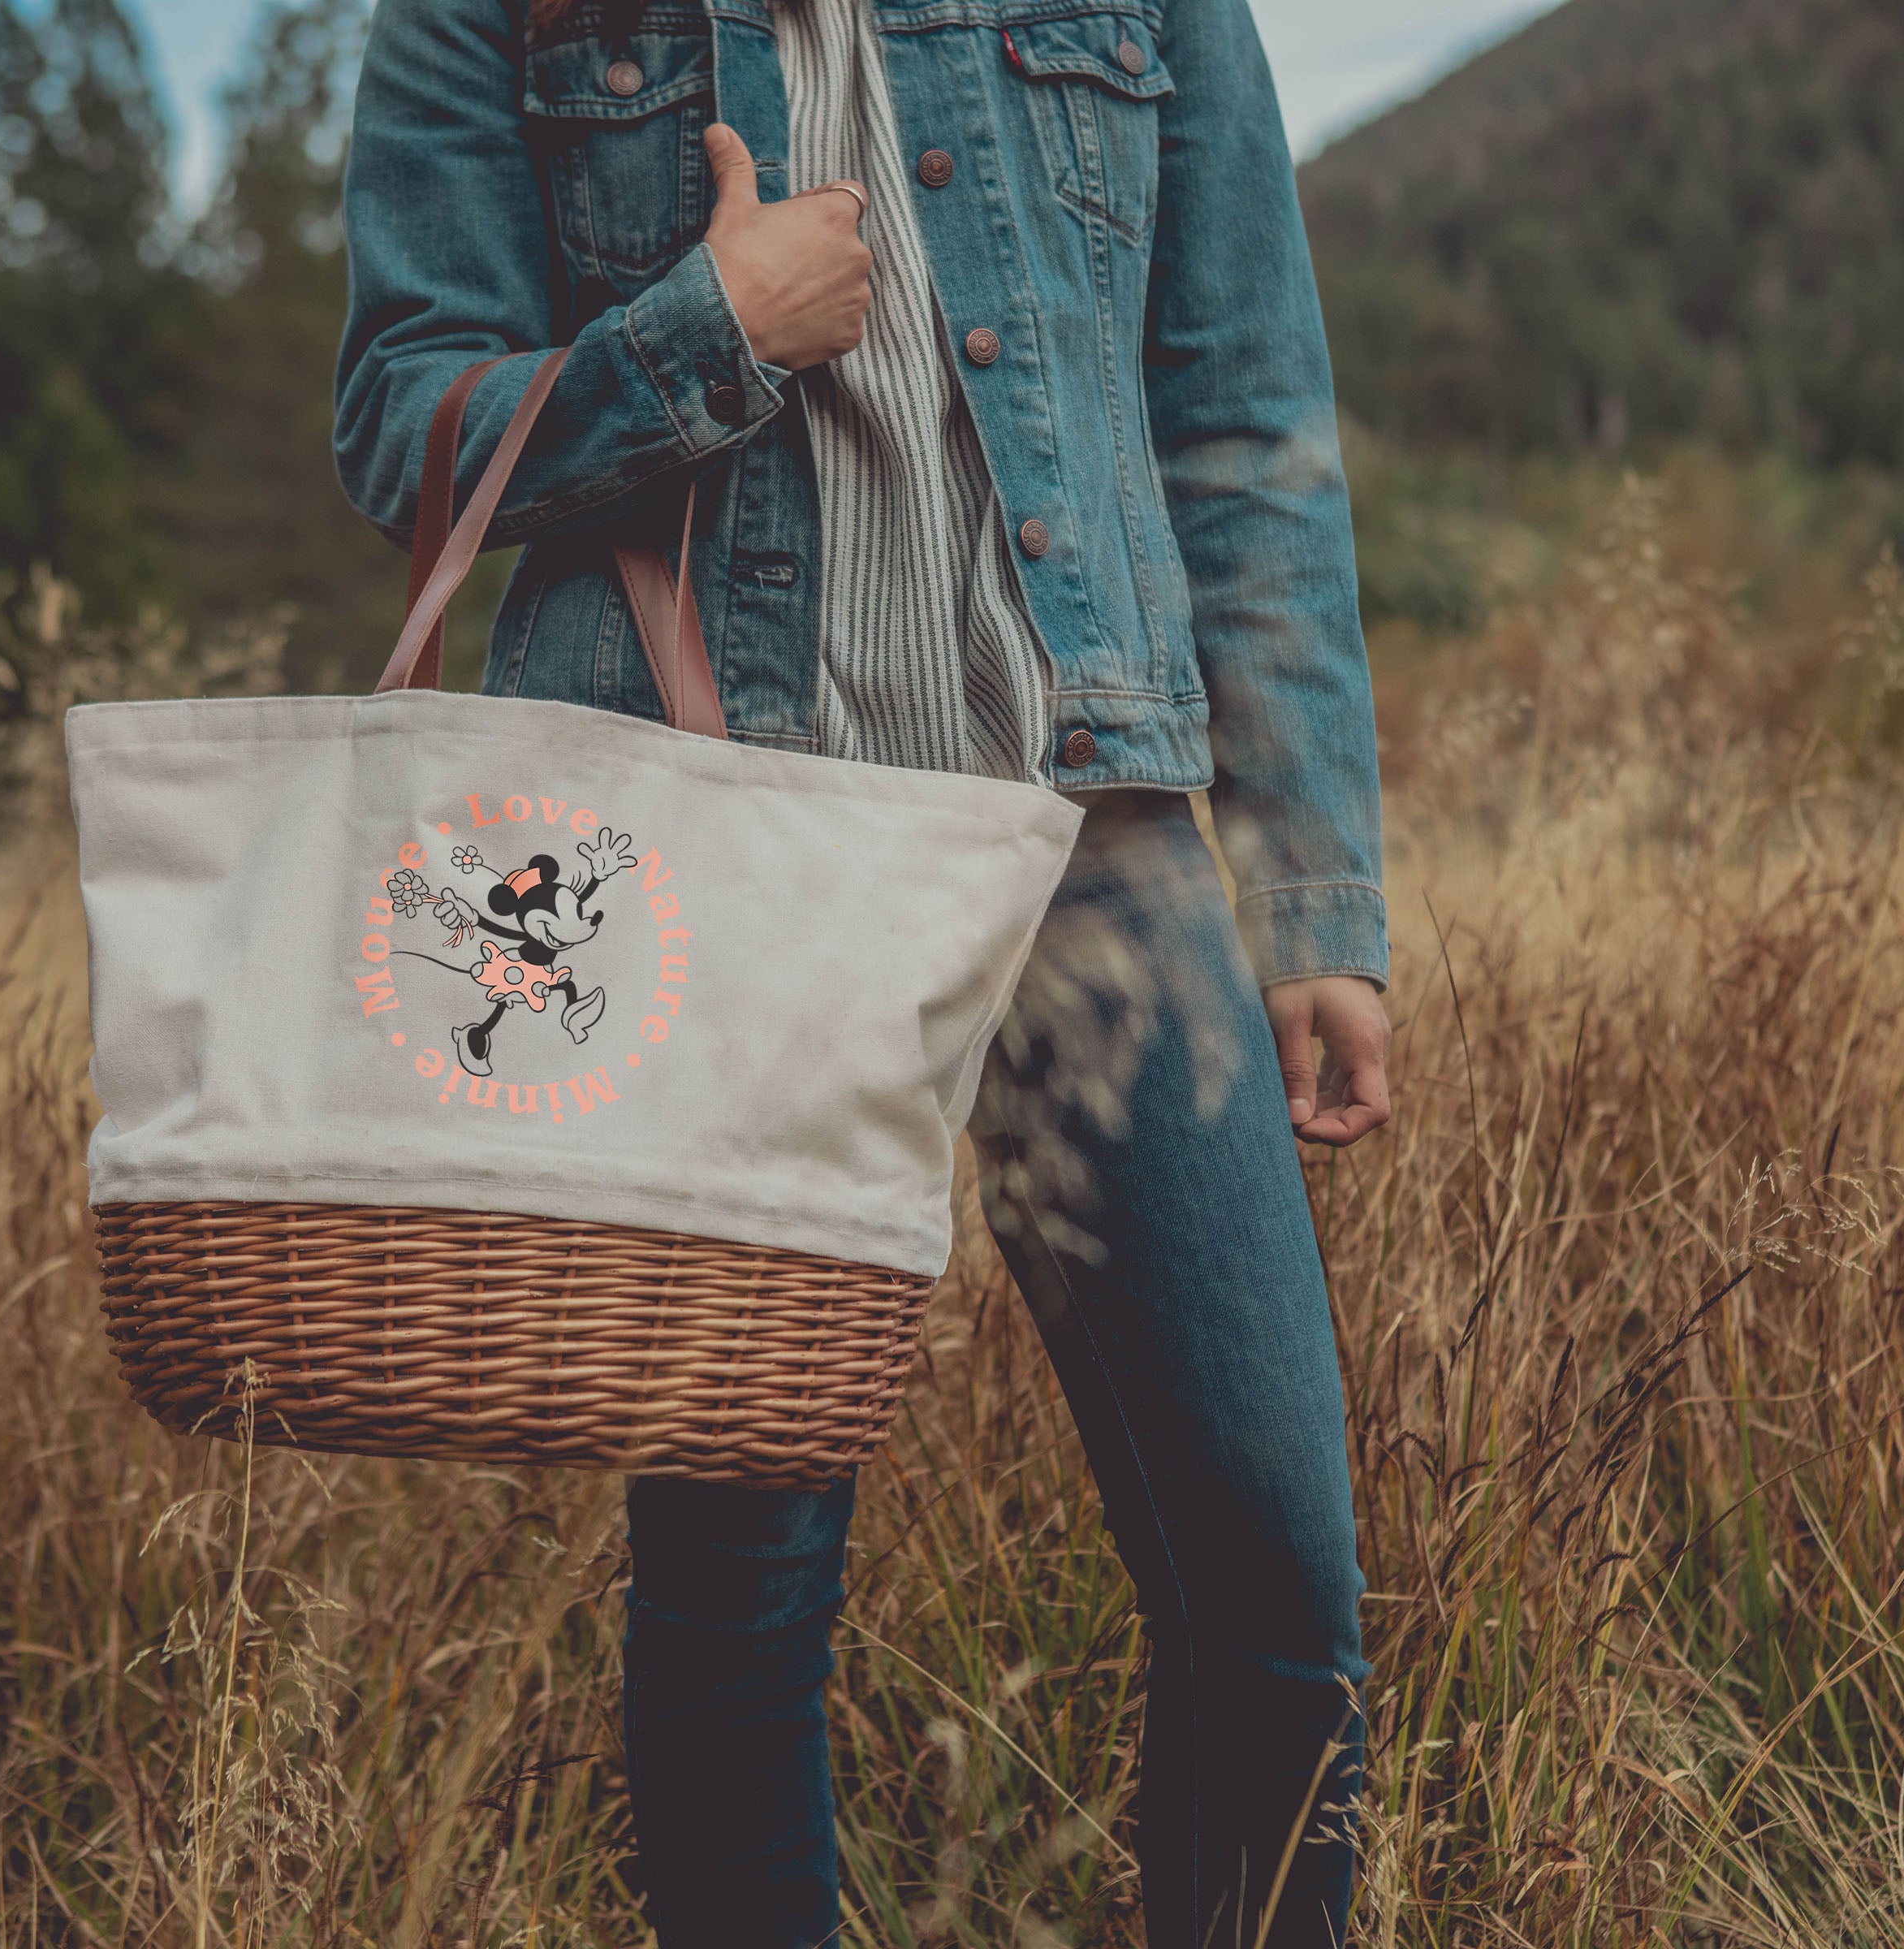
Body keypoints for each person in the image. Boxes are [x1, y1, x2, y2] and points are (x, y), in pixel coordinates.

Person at [335, 0, 1392, 1939]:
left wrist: (1316, 888)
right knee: (742, 1602)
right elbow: (402, 418)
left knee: (1275, 1586)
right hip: (724, 852)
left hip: (1099, 844)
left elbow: (1241, 420)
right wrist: (701, 336)